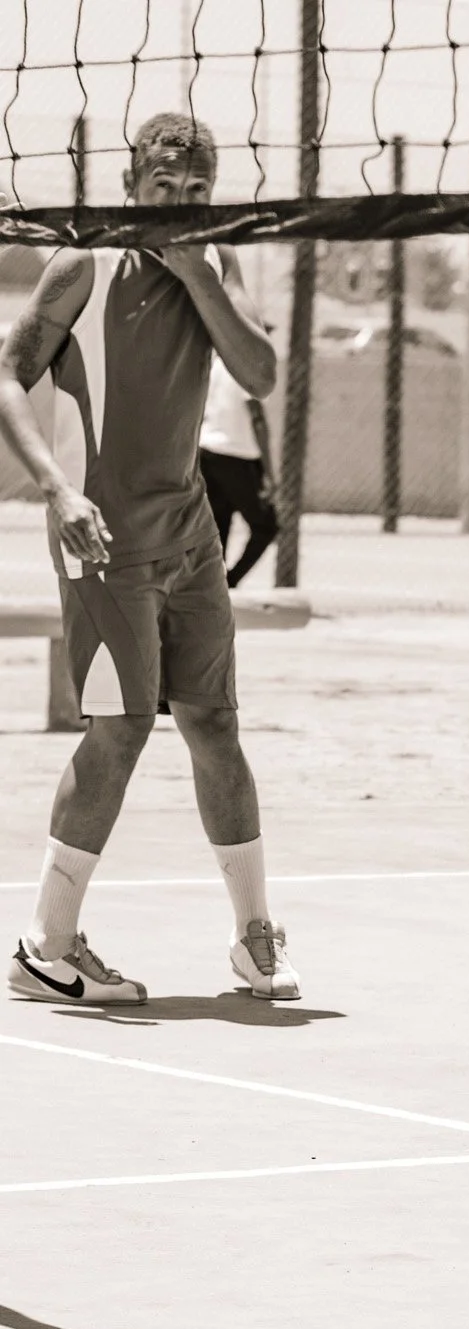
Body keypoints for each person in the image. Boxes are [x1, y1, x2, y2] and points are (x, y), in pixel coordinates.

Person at [1, 113, 297, 1005]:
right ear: (132, 186)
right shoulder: (83, 263)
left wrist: (199, 271)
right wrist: (58, 489)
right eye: (163, 186)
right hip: (101, 531)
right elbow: (8, 374)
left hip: (189, 530)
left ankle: (254, 936)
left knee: (214, 722)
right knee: (122, 726)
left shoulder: (217, 261)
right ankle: (46, 946)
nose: (179, 200)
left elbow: (261, 373)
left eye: (196, 189)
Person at [199, 350, 278, 588]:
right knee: (266, 526)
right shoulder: (247, 362)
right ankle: (229, 582)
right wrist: (269, 472)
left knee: (219, 525)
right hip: (236, 456)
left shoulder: (216, 363)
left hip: (207, 451)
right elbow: (257, 419)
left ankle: (215, 587)